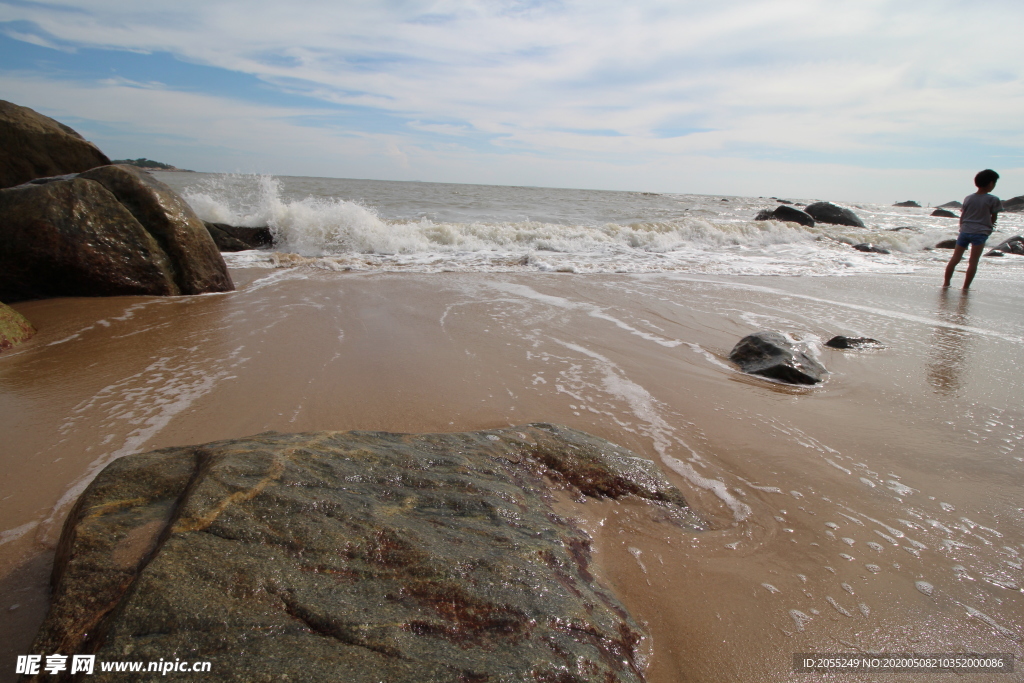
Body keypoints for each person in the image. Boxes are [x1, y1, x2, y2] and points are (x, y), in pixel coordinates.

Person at [943, 169, 1002, 289]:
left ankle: (946, 283)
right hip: (980, 233)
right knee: (973, 261)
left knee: (955, 259)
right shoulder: (993, 199)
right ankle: (965, 287)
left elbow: (963, 215)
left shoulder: (968, 198)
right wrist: (990, 228)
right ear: (991, 183)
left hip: (965, 231)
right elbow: (994, 217)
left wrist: (962, 227)